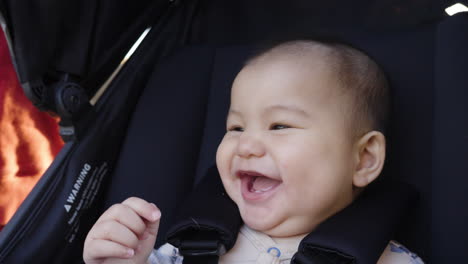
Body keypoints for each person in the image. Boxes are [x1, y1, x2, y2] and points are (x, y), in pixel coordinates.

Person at [83, 40, 424, 264]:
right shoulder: (186, 247)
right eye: (235, 128)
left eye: (279, 126)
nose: (245, 145)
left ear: (363, 159)